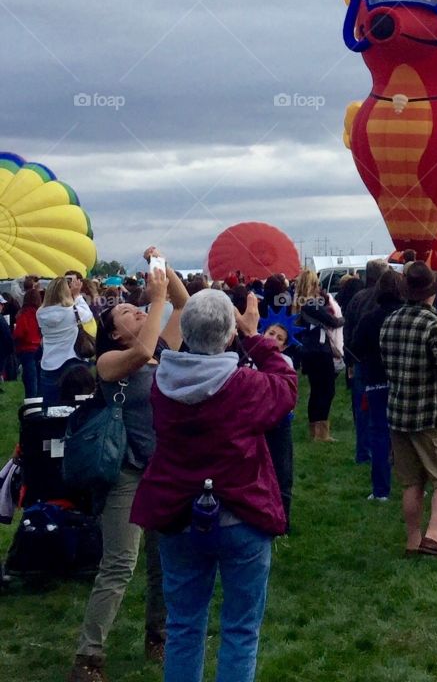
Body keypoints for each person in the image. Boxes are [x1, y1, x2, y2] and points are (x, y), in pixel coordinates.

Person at [131, 289, 297, 682]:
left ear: (186, 334)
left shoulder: (162, 384)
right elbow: (287, 384)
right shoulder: (244, 385)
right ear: (230, 337)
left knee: (184, 626)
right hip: (242, 513)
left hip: (178, 513)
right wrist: (253, 335)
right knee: (241, 629)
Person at [68, 258, 186, 682]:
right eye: (126, 312)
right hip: (125, 473)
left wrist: (165, 271)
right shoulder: (110, 363)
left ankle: (159, 636)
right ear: (114, 333)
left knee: (163, 562)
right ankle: (88, 658)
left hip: (162, 470)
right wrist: (156, 298)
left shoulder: (163, 351)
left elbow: (183, 307)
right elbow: (141, 351)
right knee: (120, 564)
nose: (137, 311)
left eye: (138, 309)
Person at [378, 261, 437, 559]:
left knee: (411, 482)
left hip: (400, 412)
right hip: (435, 415)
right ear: (433, 292)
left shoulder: (390, 321)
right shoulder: (435, 325)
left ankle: (413, 540)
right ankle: (434, 535)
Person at [350, 268, 405, 502]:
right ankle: (415, 484)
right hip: (405, 381)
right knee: (408, 434)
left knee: (379, 433)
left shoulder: (370, 318)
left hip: (376, 380)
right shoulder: (407, 317)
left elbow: (355, 347)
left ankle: (381, 489)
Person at [342, 258, 388, 463]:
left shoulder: (357, 298)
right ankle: (386, 451)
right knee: (385, 408)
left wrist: (350, 360)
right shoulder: (385, 300)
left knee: (362, 408)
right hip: (383, 360)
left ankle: (364, 451)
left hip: (360, 359)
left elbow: (347, 330)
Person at [294, 269, 342, 442]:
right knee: (327, 390)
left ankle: (314, 430)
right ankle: (322, 433)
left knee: (316, 391)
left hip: (308, 350)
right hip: (319, 351)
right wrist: (343, 318)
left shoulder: (299, 303)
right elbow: (333, 322)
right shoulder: (311, 304)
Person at [261, 316, 297, 532]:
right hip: (257, 422)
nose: (273, 338)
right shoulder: (251, 358)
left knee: (282, 471)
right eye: (271, 333)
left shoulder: (285, 362)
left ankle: (283, 521)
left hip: (279, 423)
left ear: (283, 346)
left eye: (279, 338)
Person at [37, 275, 91, 404]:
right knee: (76, 404)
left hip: (48, 362)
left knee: (50, 404)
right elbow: (88, 314)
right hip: (71, 360)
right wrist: (77, 295)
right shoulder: (72, 312)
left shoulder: (40, 313)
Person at [12, 285, 43, 398]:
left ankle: (31, 401)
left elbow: (19, 333)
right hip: (40, 348)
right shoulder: (40, 313)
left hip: (26, 349)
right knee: (39, 377)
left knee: (30, 379)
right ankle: (40, 399)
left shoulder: (23, 314)